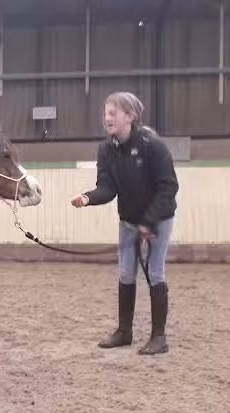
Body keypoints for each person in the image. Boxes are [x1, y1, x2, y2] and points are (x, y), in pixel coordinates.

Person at [70, 91, 179, 355]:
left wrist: (148, 223)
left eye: (113, 113)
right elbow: (107, 188)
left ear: (129, 116)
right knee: (126, 274)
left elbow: (168, 188)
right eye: (105, 113)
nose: (107, 118)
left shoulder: (153, 145)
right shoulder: (106, 150)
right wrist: (87, 198)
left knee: (155, 272)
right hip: (128, 221)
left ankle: (159, 337)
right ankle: (124, 332)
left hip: (158, 220)